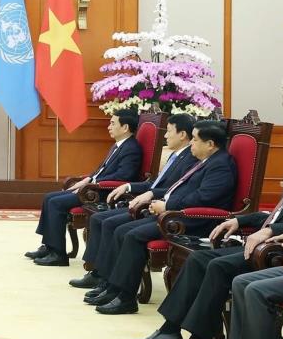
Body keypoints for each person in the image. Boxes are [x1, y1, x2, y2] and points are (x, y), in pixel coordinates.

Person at [128, 121, 283, 339]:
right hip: (264, 244)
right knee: (198, 259)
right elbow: (277, 215)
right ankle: (170, 330)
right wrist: (240, 221)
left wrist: (271, 230)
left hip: (282, 252)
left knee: (218, 267)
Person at [89, 119, 237, 315]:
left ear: (210, 144)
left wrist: (167, 205)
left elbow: (203, 197)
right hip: (174, 215)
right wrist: (162, 203)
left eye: (195, 139)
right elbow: (183, 189)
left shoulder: (221, 165)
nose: (191, 143)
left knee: (133, 235)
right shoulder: (207, 160)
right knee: (122, 230)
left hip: (194, 220)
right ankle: (114, 288)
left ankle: (126, 298)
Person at [70, 113, 200, 291]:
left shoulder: (191, 159)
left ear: (182, 134)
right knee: (100, 219)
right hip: (151, 204)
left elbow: (173, 190)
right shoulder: (176, 155)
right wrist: (129, 186)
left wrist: (150, 194)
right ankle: (98, 273)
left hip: (163, 210)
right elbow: (153, 183)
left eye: (169, 131)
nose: (165, 135)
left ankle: (105, 278)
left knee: (110, 224)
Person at [28, 110, 143, 267]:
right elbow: (102, 170)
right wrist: (87, 179)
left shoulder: (131, 148)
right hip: (93, 187)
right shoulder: (118, 145)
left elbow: (123, 176)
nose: (109, 126)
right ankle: (49, 246)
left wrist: (91, 184)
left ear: (125, 128)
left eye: (112, 123)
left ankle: (58, 254)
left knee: (56, 203)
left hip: (103, 193)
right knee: (49, 197)